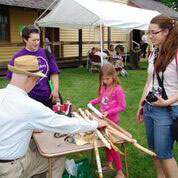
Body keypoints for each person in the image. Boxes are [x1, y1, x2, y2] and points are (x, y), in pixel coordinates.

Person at [0, 55, 107, 178]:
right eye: (36, 80)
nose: (35, 84)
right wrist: (95, 124)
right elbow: (63, 123)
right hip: (10, 169)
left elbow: (9, 122)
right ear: (29, 78)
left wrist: (30, 127)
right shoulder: (28, 106)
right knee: (57, 158)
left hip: (6, 159)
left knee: (36, 145)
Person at [137, 15, 178, 178]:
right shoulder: (154, 52)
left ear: (167, 31)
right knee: (154, 151)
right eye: (149, 32)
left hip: (168, 110)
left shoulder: (176, 54)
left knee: (165, 154)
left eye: (154, 32)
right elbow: (150, 81)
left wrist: (167, 101)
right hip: (150, 107)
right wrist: (142, 103)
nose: (150, 36)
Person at [6, 24, 60, 109]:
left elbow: (54, 72)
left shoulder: (46, 53)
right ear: (25, 40)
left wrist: (55, 89)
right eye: (33, 40)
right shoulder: (18, 57)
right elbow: (13, 80)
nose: (37, 43)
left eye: (38, 40)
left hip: (47, 98)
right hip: (28, 101)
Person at [89, 63, 126, 178]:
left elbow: (122, 106)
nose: (105, 81)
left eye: (107, 79)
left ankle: (120, 172)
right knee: (106, 144)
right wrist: (93, 102)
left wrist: (108, 112)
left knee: (113, 146)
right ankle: (109, 165)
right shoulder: (104, 86)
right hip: (103, 121)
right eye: (103, 79)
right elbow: (101, 99)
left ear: (114, 76)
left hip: (112, 123)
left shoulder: (117, 89)